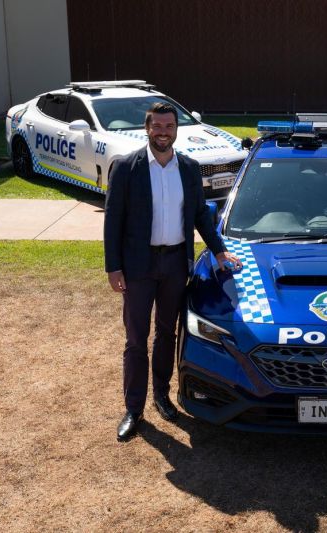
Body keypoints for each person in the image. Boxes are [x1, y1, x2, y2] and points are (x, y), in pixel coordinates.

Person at [104, 102, 241, 442]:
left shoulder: (190, 169)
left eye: (169, 126)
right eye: (157, 126)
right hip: (138, 267)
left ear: (176, 130)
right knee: (136, 339)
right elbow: (113, 222)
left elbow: (199, 215)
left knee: (167, 334)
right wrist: (113, 267)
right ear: (147, 128)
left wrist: (219, 250)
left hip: (175, 264)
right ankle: (134, 409)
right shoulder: (126, 168)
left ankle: (162, 396)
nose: (163, 132)